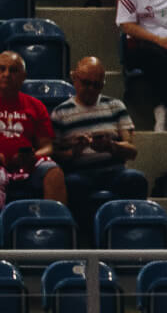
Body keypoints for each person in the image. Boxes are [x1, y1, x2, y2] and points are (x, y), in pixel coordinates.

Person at [0, 50, 68, 210]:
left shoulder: (36, 106)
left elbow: (48, 146)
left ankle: (53, 223)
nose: (6, 74)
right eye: (1, 69)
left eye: (13, 70)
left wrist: (32, 156)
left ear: (23, 76)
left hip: (28, 165)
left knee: (54, 173)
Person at [49, 57, 140, 213]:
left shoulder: (115, 106)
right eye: (86, 83)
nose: (91, 89)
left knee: (135, 179)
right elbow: (54, 155)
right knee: (72, 184)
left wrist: (111, 146)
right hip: (79, 172)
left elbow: (132, 151)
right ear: (74, 79)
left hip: (114, 170)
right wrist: (74, 152)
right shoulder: (60, 113)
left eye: (96, 85)